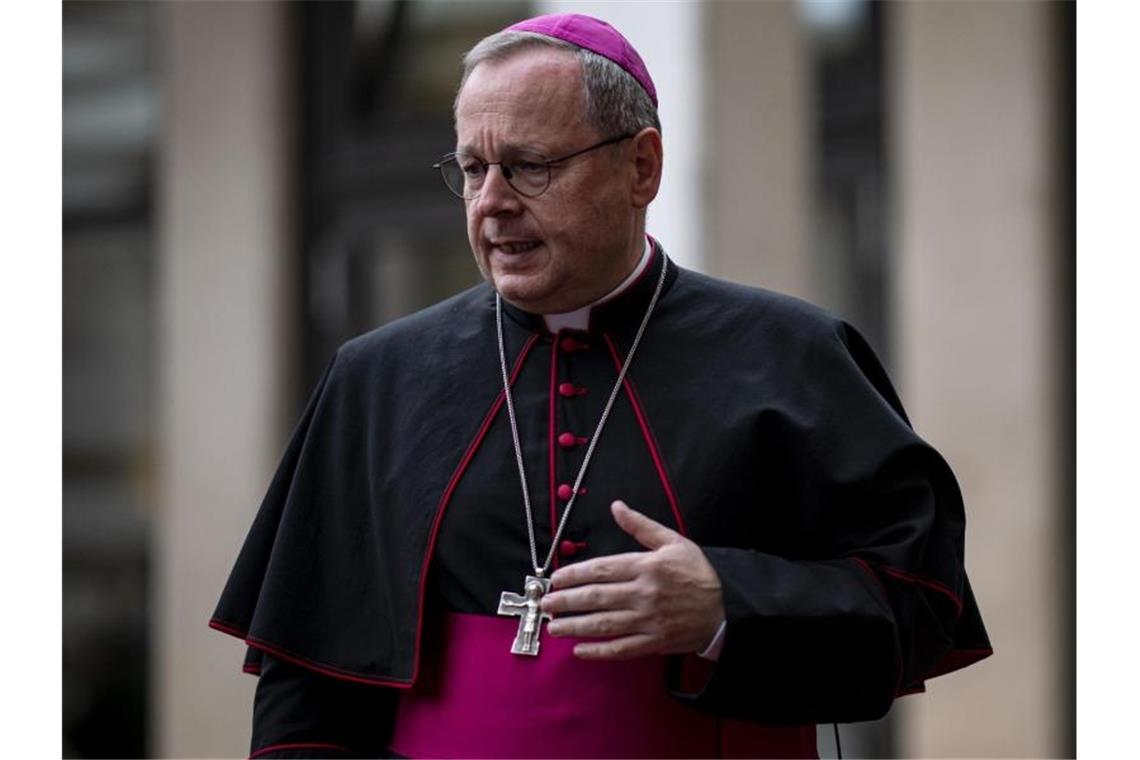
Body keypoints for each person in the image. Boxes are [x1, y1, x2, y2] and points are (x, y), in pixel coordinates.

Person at [211, 13, 991, 759]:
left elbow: (916, 604)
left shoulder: (793, 354)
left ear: (640, 167)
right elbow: (303, 686)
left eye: (530, 166)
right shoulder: (375, 380)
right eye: (474, 169)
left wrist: (727, 603)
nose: (491, 204)